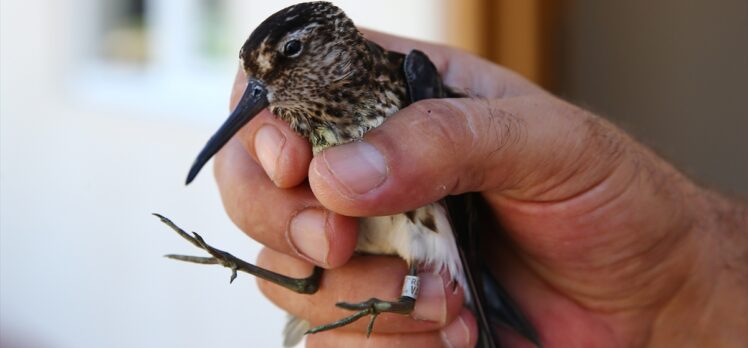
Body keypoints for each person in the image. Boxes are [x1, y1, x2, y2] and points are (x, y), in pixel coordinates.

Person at [212, 30, 747, 347]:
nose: (264, 91)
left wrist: (686, 284)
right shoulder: (292, 119)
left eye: (289, 53)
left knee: (402, 299)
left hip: (447, 254)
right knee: (319, 289)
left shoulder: (408, 77)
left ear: (327, 44)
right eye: (259, 78)